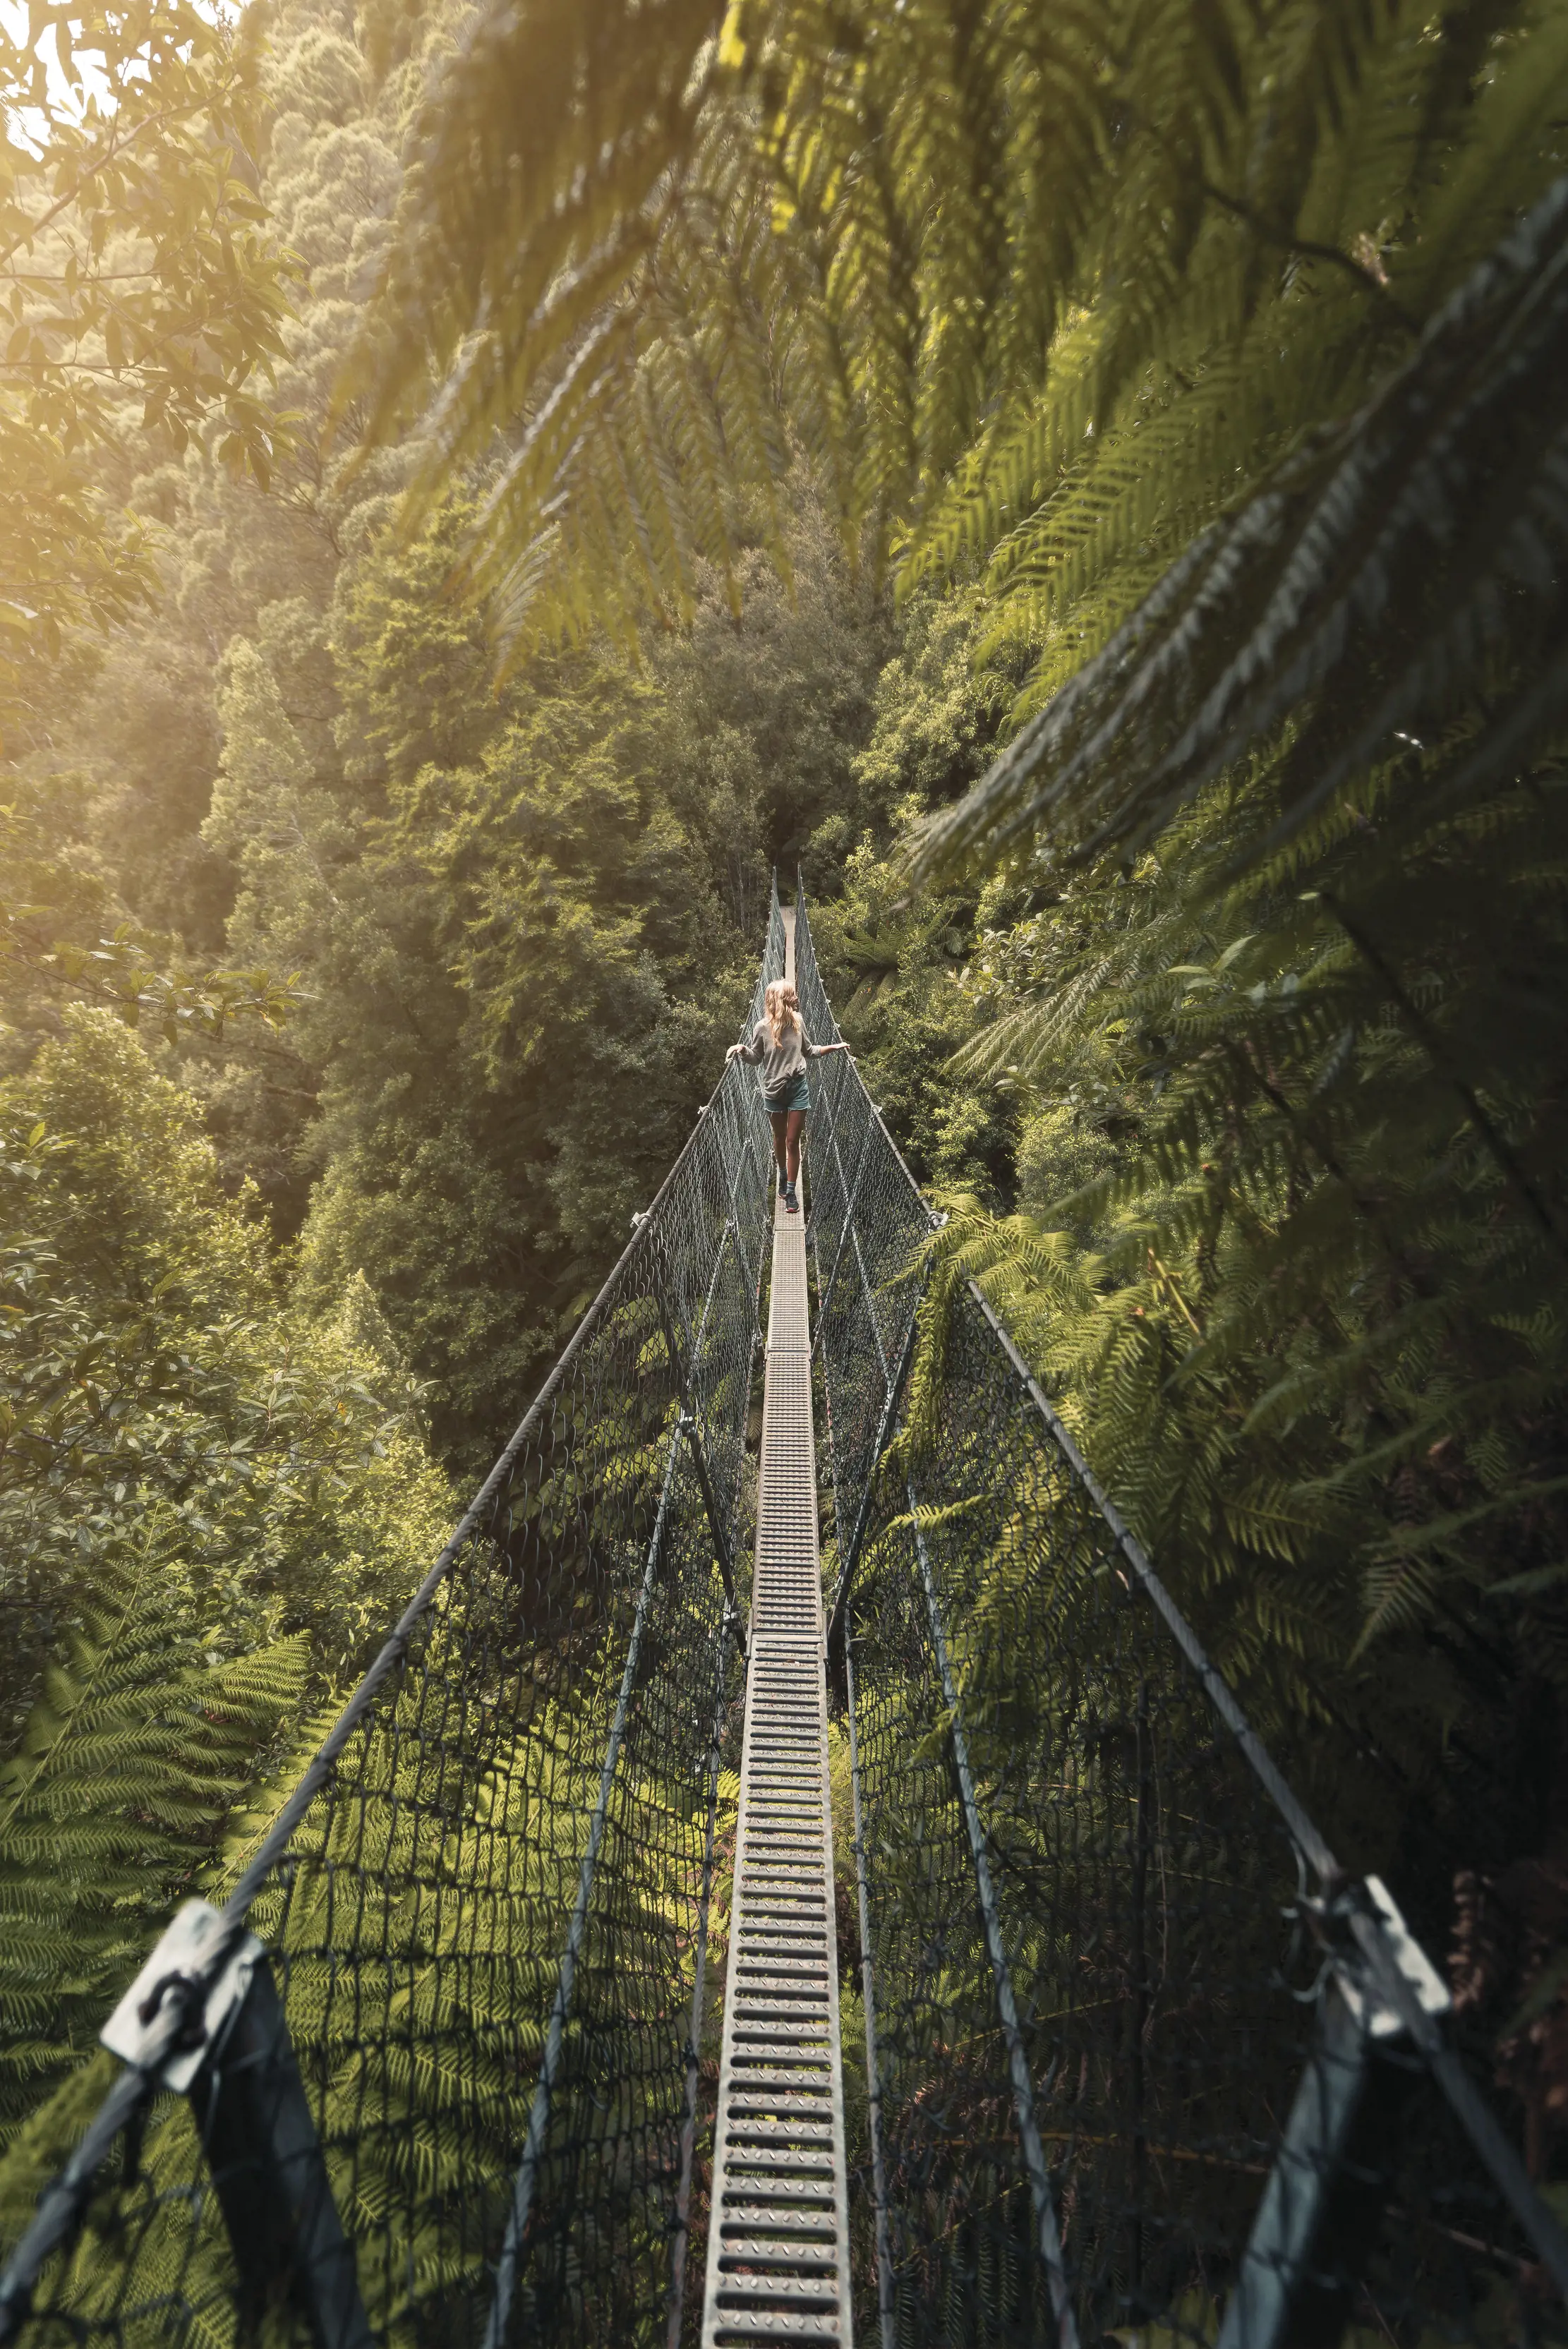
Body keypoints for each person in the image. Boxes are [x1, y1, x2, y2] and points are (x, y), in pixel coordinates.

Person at [728, 978, 850, 1214]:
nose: (796, 999)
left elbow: (809, 1050)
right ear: (781, 1000)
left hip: (797, 1089)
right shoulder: (761, 1027)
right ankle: (782, 1174)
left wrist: (832, 1047)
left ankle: (791, 1192)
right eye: (791, 995)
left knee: (793, 1141)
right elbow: (756, 1059)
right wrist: (742, 1050)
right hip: (773, 1091)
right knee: (779, 1137)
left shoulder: (798, 1022)